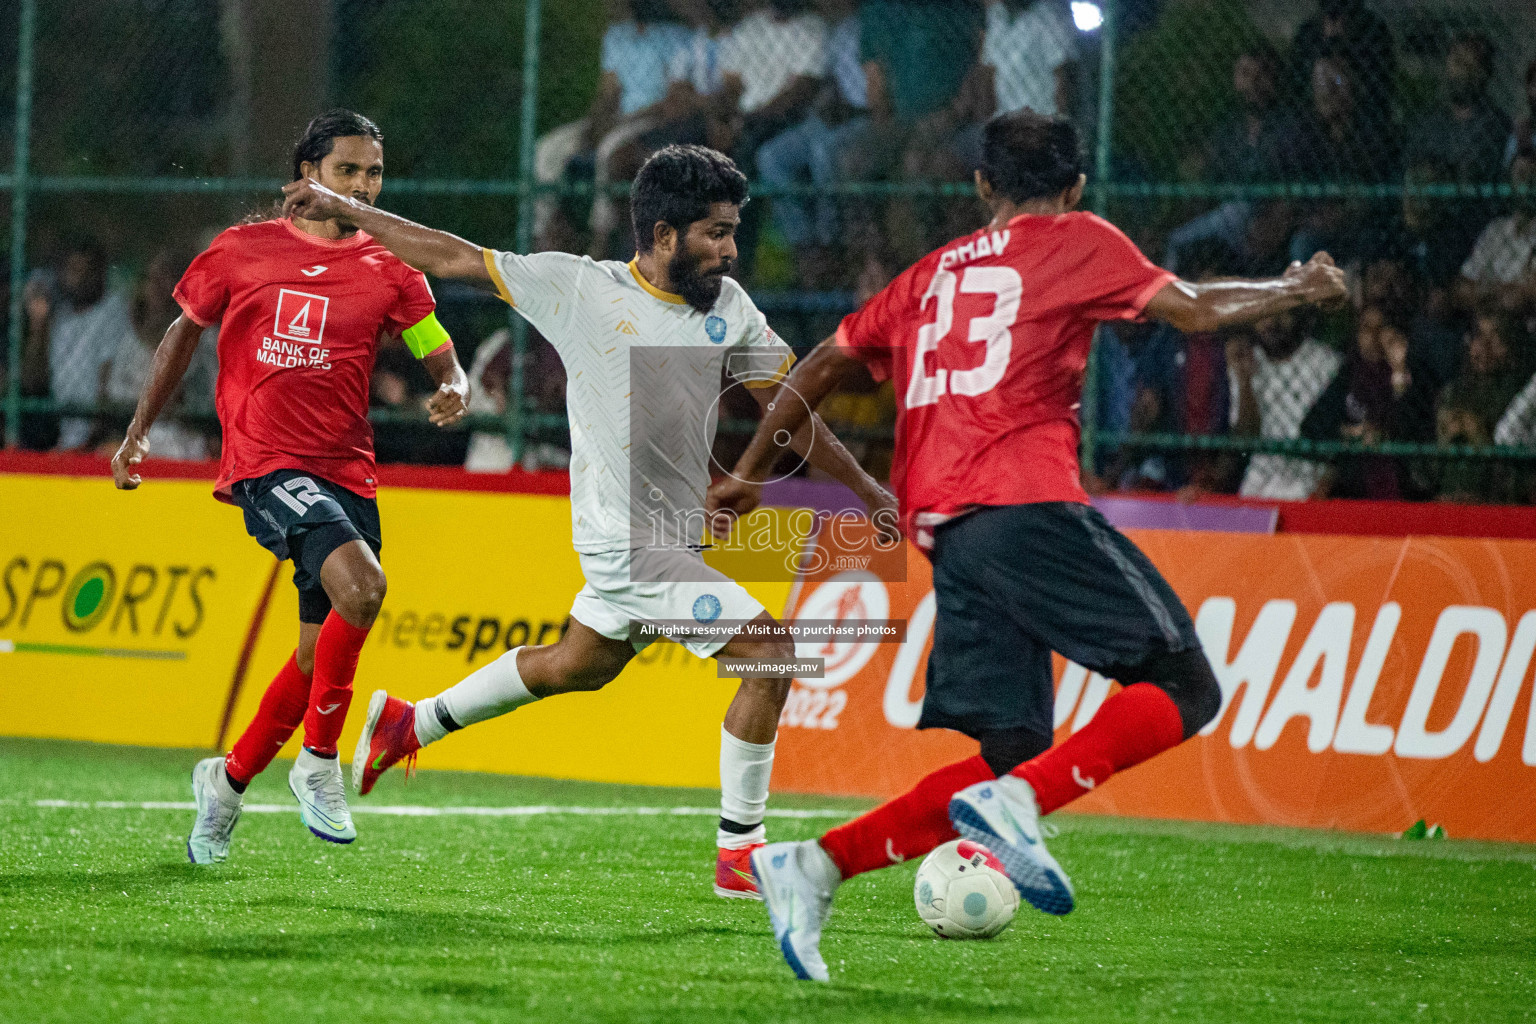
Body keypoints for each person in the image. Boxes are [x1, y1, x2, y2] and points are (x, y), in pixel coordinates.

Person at [703, 108, 1346, 982]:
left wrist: (746, 472)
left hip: (946, 528)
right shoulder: (1078, 238)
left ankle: (814, 866)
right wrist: (1295, 289)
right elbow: (1191, 312)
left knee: (1011, 748)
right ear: (1075, 186)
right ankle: (1017, 805)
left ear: (981, 186)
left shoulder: (926, 274)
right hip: (1022, 501)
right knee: (1185, 685)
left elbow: (816, 365)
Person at [282, 144, 896, 900]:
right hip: (624, 542)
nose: (731, 248)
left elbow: (790, 406)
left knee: (579, 665)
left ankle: (413, 723)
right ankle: (742, 853)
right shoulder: (580, 288)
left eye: (734, 230)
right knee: (770, 652)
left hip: (673, 537)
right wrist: (348, 210)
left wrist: (866, 487)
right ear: (663, 235)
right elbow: (455, 257)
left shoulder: (729, 305)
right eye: (715, 232)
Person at [108, 110, 472, 864]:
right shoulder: (243, 250)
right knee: (364, 590)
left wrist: (454, 383)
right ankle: (319, 761)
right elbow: (183, 333)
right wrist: (139, 429)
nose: (364, 185)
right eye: (349, 171)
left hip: (348, 467)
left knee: (314, 658)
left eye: (374, 173)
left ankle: (229, 781)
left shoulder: (388, 262)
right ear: (309, 173)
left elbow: (433, 341)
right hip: (267, 461)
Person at [100, 248, 216, 461]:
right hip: (132, 434)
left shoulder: (202, 338)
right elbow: (113, 397)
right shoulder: (128, 339)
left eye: (166, 279)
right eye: (152, 279)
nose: (157, 288)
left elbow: (195, 399)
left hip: (183, 440)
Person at [23, 239, 133, 451]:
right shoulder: (61, 316)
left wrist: (85, 445)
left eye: (86, 270)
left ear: (100, 273)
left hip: (100, 435)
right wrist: (39, 327)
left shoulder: (111, 310)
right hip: (63, 430)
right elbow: (32, 381)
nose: (78, 277)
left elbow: (107, 385)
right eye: (73, 269)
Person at [1228, 307, 1341, 499]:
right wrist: (1244, 379)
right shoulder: (1248, 359)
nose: (1271, 323)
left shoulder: (1326, 361)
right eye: (1264, 314)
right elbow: (1245, 439)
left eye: (1281, 311)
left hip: (1309, 477)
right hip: (1259, 478)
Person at [1405, 32, 1510, 187]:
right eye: (1456, 62)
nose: (1458, 74)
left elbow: (1477, 171)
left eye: (1466, 66)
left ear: (1484, 73)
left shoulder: (1496, 124)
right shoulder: (1431, 121)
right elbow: (1413, 163)